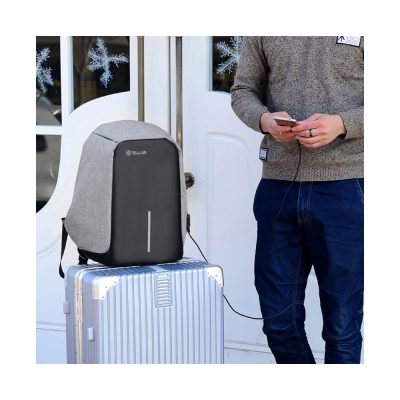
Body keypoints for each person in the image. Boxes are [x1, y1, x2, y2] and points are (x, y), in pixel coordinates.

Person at [231, 36, 364, 364]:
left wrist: (342, 124)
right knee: (278, 324)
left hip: (346, 187)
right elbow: (243, 91)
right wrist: (264, 120)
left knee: (342, 330)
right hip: (278, 186)